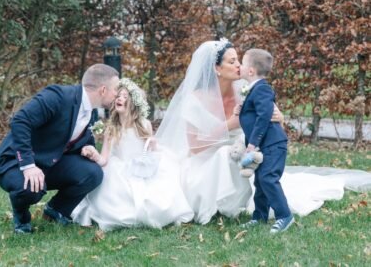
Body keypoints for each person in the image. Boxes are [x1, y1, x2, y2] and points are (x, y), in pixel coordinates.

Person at [156, 38, 371, 226]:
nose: (239, 65)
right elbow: (194, 147)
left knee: (254, 169)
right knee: (226, 155)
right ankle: (227, 201)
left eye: (239, 60)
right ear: (216, 68)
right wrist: (229, 125)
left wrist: (279, 117)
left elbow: (266, 109)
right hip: (205, 162)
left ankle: (256, 201)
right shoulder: (195, 99)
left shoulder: (244, 86)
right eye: (232, 62)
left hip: (245, 154)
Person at [0, 64, 119, 234]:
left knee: (93, 173)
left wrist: (89, 148)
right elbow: (20, 121)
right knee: (30, 188)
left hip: (49, 162)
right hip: (15, 162)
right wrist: (28, 166)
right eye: (116, 89)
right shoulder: (58, 96)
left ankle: (56, 211)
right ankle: (21, 218)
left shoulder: (92, 112)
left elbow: (71, 137)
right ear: (103, 90)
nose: (117, 94)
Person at [71, 78, 194, 231]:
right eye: (118, 96)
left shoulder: (144, 125)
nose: (120, 98)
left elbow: (149, 154)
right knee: (118, 195)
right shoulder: (112, 128)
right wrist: (94, 154)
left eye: (125, 97)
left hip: (142, 168)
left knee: (156, 196)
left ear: (134, 104)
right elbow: (104, 159)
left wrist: (153, 146)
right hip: (119, 170)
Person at [237, 49, 293, 233]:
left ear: (251, 71)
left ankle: (285, 216)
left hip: (273, 144)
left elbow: (264, 117)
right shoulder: (253, 89)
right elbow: (253, 113)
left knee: (269, 179)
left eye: (242, 63)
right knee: (260, 181)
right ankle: (259, 216)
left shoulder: (262, 89)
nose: (239, 66)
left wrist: (252, 144)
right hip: (265, 145)